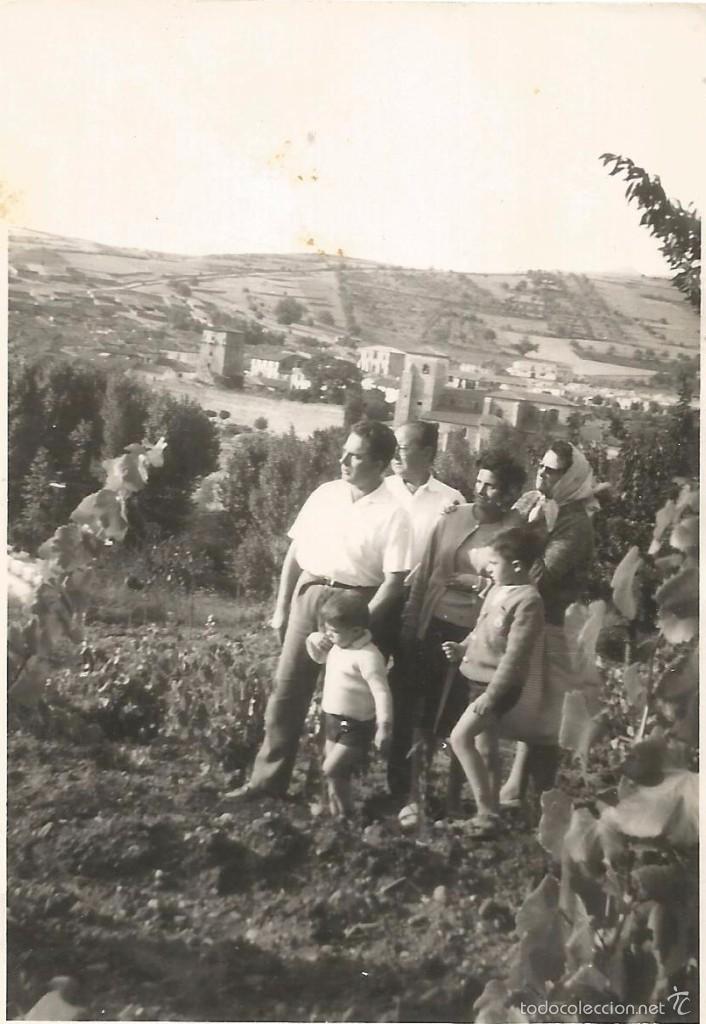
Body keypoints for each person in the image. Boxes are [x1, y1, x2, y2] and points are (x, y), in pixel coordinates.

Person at [225, 420, 410, 802]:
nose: (342, 460)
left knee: (347, 704)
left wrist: (358, 627)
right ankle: (267, 783)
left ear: (378, 463)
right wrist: (281, 608)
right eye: (344, 451)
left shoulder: (395, 513)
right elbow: (296, 553)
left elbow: (394, 581)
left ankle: (338, 794)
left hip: (356, 606)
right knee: (286, 694)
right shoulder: (326, 494)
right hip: (309, 596)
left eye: (355, 455)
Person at [399, 451, 526, 819]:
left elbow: (521, 587)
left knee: (460, 722)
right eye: (480, 482)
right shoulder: (452, 517)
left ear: (512, 492)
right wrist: (410, 623)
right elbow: (423, 575)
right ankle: (417, 795)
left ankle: (455, 802)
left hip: (478, 639)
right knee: (424, 717)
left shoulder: (517, 534)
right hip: (433, 626)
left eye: (494, 487)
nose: (484, 492)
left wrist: (478, 583)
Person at [499, 440, 597, 806]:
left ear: (570, 477)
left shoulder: (574, 523)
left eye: (552, 470)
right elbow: (501, 544)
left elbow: (540, 574)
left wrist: (522, 540)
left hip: (555, 623)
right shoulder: (533, 503)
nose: (542, 473)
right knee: (529, 704)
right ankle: (515, 786)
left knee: (545, 713)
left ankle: (540, 799)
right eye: (541, 465)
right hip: (527, 615)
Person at [443, 527, 545, 838]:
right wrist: (463, 647)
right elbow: (481, 630)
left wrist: (492, 696)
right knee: (484, 748)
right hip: (477, 679)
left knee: (460, 738)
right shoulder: (498, 589)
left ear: (516, 566)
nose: (488, 570)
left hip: (496, 686)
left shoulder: (528, 601)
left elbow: (515, 657)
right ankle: (492, 815)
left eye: (494, 564)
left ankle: (486, 814)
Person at [384, 420, 465, 802]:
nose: (396, 454)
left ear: (428, 453)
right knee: (358, 683)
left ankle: (408, 783)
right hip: (379, 600)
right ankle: (352, 763)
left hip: (420, 609)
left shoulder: (451, 501)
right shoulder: (380, 490)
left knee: (410, 695)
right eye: (395, 446)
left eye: (404, 446)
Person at [306, 592, 393, 818]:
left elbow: (381, 692)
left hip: (356, 724)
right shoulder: (339, 646)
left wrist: (384, 725)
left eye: (333, 631)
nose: (329, 635)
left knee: (331, 769)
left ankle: (349, 814)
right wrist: (313, 640)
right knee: (337, 774)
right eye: (327, 629)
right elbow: (318, 657)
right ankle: (339, 816)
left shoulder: (368, 656)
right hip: (332, 719)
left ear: (356, 631)